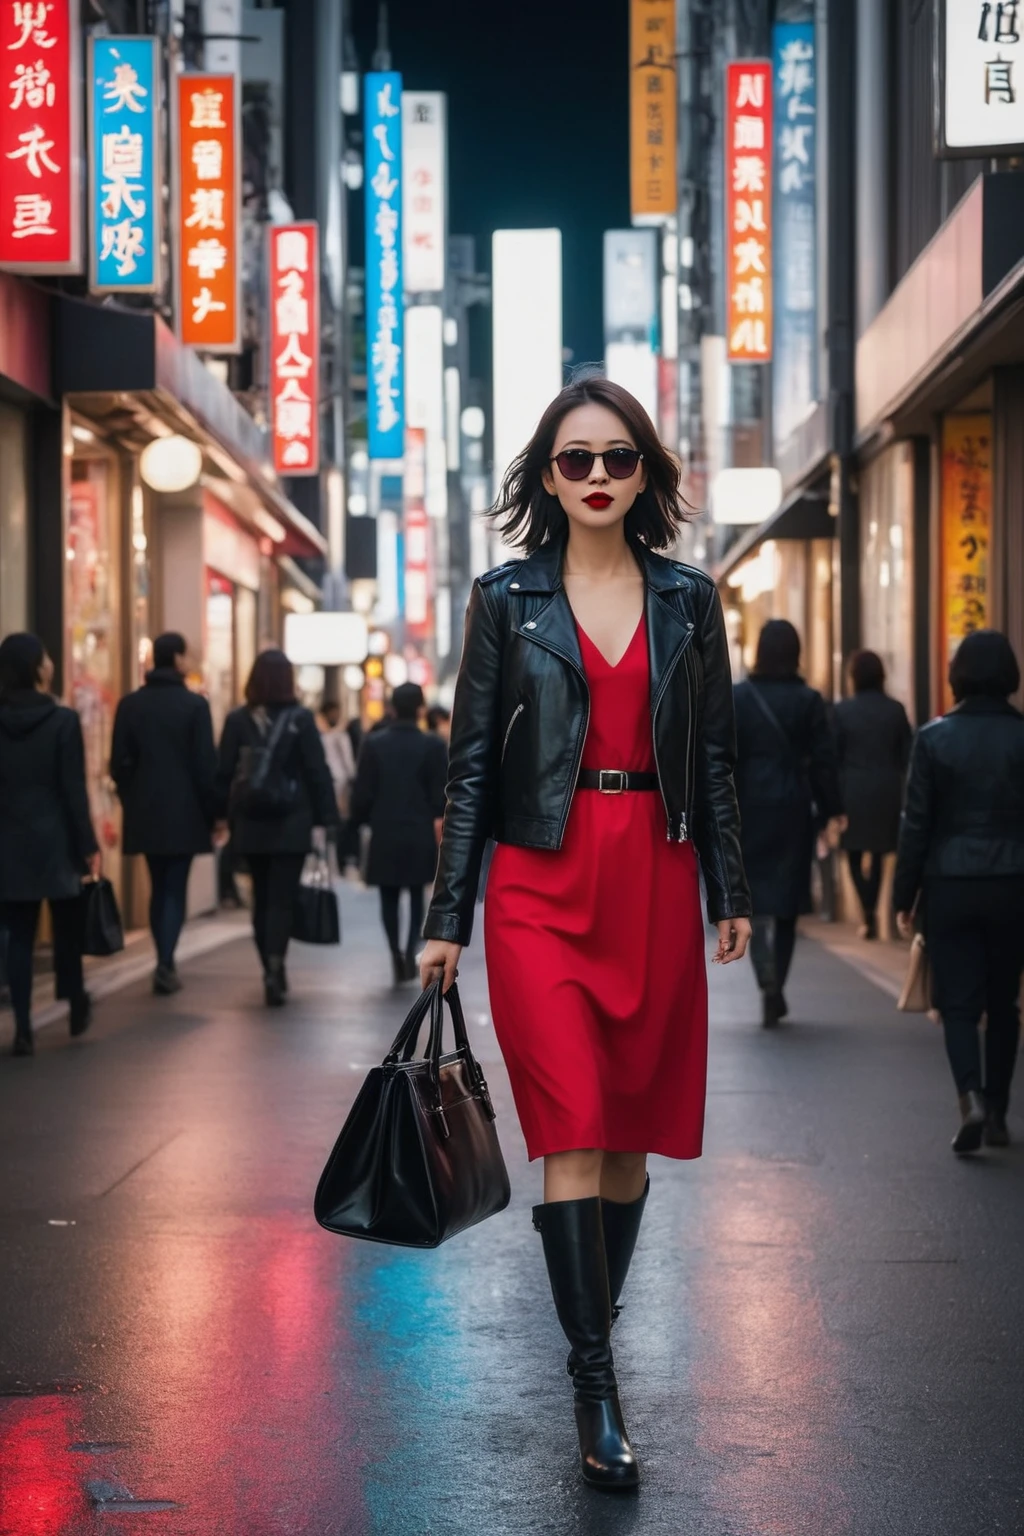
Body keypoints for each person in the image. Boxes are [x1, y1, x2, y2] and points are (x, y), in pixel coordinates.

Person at [419, 376, 751, 1492]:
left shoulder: (689, 600)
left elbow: (711, 758)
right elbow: (470, 767)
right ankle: (596, 1391)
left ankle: (590, 1324)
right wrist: (445, 919)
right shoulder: (504, 599)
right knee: (569, 1124)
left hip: (652, 878)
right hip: (537, 885)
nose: (598, 477)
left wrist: (729, 889)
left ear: (646, 471)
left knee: (625, 1142)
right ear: (547, 477)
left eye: (617, 458)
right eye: (575, 461)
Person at [894, 630, 1024, 1155]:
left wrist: (903, 896)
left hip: (949, 883)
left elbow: (915, 825)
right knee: (1004, 1001)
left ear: (958, 674)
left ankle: (968, 1094)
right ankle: (996, 1112)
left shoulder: (933, 737)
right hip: (1013, 883)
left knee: (959, 1002)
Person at [734, 620, 843, 1028]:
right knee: (786, 904)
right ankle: (776, 981)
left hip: (747, 807)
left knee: (753, 899)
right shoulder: (809, 700)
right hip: (794, 807)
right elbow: (824, 762)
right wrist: (832, 809)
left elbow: (723, 756)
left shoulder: (740, 698)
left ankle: (764, 976)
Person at [216, 650, 337, 1005]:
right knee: (282, 898)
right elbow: (317, 771)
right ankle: (276, 965)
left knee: (261, 898)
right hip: (291, 822)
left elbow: (224, 772)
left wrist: (220, 815)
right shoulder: (301, 719)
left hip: (250, 822)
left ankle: (267, 966)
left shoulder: (237, 720)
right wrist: (327, 819)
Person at [0, 633, 100, 1056]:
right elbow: (73, 789)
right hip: (56, 838)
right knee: (68, 929)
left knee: (19, 936)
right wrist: (88, 843)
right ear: (38, 668)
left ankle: (23, 1027)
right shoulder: (61, 721)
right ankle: (75, 1000)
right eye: (46, 658)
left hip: (8, 840)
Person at [110, 632, 217, 994]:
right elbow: (206, 768)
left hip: (145, 809)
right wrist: (214, 813)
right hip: (185, 811)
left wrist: (131, 797)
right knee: (175, 887)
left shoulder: (130, 705)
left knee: (158, 886)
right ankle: (166, 962)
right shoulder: (194, 706)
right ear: (178, 659)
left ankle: (163, 958)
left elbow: (118, 764)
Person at [350, 682, 447, 985]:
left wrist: (360, 821)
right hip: (418, 829)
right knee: (417, 893)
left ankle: (393, 951)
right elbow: (440, 792)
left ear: (392, 707)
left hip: (385, 828)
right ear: (420, 709)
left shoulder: (374, 743)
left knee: (388, 895)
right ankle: (409, 951)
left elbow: (362, 792)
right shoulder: (432, 745)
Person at [833, 650, 912, 938]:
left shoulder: (843, 711)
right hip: (887, 789)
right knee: (878, 853)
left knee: (852, 851)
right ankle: (872, 912)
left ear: (853, 677)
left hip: (852, 789)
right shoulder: (895, 709)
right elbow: (907, 755)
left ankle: (867, 912)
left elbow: (834, 756)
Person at [316, 698, 357, 818]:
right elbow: (347, 757)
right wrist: (352, 775)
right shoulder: (338, 735)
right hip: (338, 776)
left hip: (334, 777)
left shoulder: (325, 735)